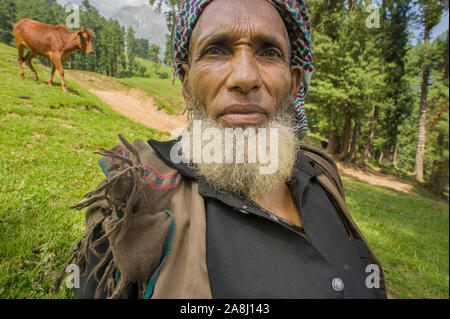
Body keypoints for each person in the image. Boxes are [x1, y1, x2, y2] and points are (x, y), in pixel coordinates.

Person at [56, 0, 387, 299]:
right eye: (216, 50)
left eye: (269, 52)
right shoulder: (137, 194)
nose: (244, 77)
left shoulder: (322, 173)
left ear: (294, 84)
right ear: (187, 86)